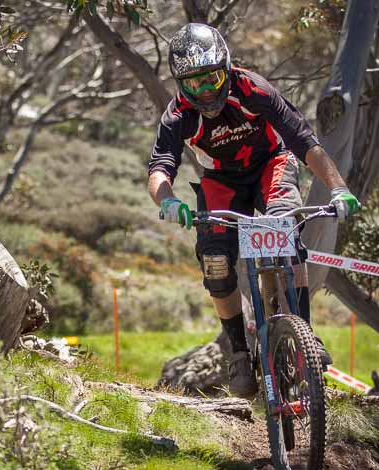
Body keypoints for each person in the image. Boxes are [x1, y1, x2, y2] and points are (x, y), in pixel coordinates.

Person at [148, 23, 360, 398]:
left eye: (211, 78)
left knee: (285, 232)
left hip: (271, 166)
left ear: (226, 68)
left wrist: (339, 188)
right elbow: (161, 167)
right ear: (180, 84)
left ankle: (304, 330)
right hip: (221, 181)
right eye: (192, 83)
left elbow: (304, 142)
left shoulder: (253, 90)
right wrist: (167, 200)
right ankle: (240, 356)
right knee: (216, 264)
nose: (205, 91)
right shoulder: (178, 114)